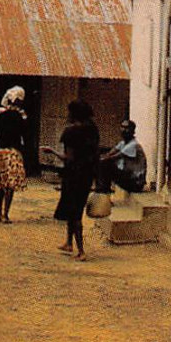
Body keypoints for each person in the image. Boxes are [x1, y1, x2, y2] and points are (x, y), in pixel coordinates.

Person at [43, 99, 99, 261]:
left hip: (73, 175)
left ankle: (81, 250)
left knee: (73, 212)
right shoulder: (92, 129)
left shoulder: (71, 132)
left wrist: (52, 151)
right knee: (75, 209)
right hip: (87, 175)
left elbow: (69, 157)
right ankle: (69, 242)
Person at [0, 86, 29, 223]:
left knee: (0, 183)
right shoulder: (22, 115)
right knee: (10, 184)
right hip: (14, 152)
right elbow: (26, 133)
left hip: (0, 151)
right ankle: (6, 213)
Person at [101, 119, 148, 193]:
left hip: (135, 183)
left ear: (133, 131)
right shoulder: (123, 143)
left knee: (106, 164)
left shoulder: (133, 145)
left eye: (127, 128)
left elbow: (113, 157)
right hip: (128, 178)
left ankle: (104, 189)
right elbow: (110, 153)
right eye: (122, 127)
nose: (124, 130)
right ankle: (102, 188)